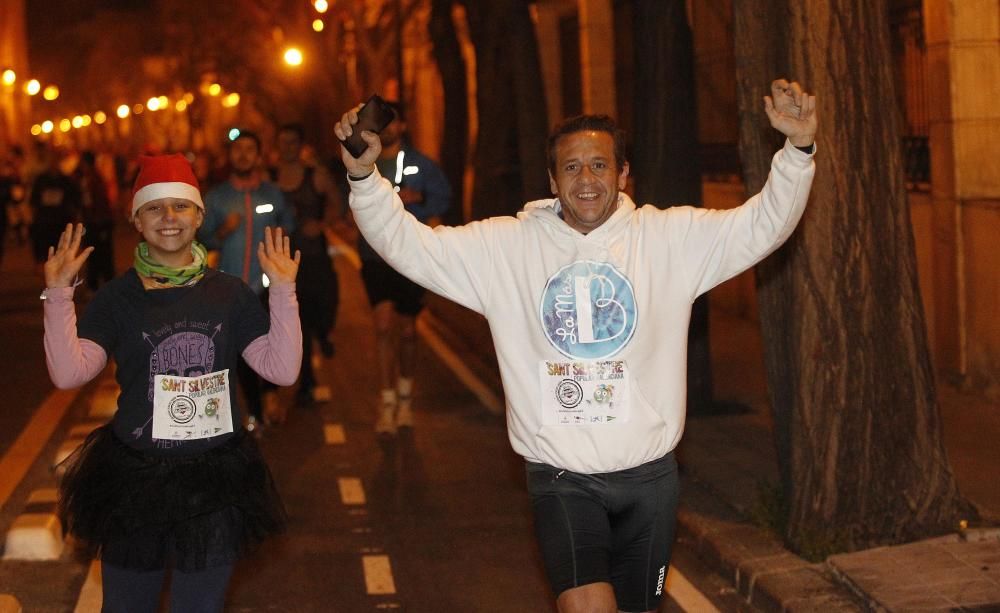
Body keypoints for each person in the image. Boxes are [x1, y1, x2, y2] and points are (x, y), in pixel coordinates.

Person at [336, 79, 818, 612]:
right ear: (552, 178)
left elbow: (760, 225)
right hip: (561, 477)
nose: (585, 179)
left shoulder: (670, 240)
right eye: (571, 167)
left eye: (599, 165)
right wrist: (364, 176)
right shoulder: (507, 247)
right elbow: (411, 246)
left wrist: (796, 153)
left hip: (650, 477)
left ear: (623, 173)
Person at [42, 153, 301, 613]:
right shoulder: (117, 299)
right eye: (154, 208)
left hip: (215, 483)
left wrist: (283, 290)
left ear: (200, 216)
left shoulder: (230, 293)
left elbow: (281, 369)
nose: (169, 218)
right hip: (135, 479)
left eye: (180, 207)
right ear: (135, 219)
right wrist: (59, 294)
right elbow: (69, 373)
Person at [355, 102, 452, 436]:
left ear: (404, 125)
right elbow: (348, 201)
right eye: (382, 122)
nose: (387, 128)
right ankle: (387, 402)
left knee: (408, 330)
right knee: (383, 326)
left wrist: (420, 200)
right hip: (374, 255)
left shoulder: (422, 164)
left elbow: (443, 199)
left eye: (392, 122)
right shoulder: (365, 162)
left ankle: (407, 397)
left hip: (411, 256)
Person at [200, 131, 296, 431]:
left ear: (258, 155)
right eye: (237, 149)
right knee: (241, 351)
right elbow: (202, 239)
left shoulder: (272, 194)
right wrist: (223, 232)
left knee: (270, 340)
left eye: (249, 149)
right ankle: (253, 410)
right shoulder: (216, 198)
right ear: (230, 155)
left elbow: (287, 227)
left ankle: (270, 395)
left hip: (266, 285)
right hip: (232, 288)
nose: (243, 155)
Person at [271, 123, 341, 406]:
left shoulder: (316, 176)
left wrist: (322, 224)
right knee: (297, 320)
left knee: (322, 307)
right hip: (284, 258)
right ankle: (306, 380)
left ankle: (324, 334)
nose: (287, 147)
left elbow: (338, 204)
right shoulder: (269, 180)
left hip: (314, 255)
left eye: (292, 142)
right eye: (282, 142)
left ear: (300, 145)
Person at [30, 146, 82, 271]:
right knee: (46, 249)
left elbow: (75, 198)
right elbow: (34, 199)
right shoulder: (41, 180)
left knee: (61, 248)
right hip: (45, 221)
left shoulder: (65, 180)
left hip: (61, 221)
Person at [75, 150, 116, 291]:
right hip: (98, 222)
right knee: (100, 255)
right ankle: (102, 283)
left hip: (97, 222)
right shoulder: (95, 177)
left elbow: (94, 203)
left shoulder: (91, 179)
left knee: (97, 255)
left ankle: (98, 285)